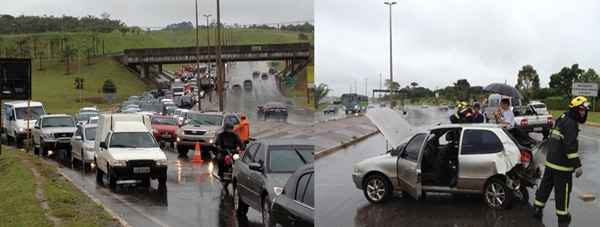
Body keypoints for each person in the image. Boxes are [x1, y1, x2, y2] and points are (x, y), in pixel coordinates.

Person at [533, 96, 588, 226]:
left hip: (551, 161)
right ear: (575, 109)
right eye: (581, 110)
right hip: (562, 167)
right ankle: (563, 217)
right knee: (563, 192)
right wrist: (577, 166)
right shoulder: (571, 124)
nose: (583, 113)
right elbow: (570, 147)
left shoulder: (562, 117)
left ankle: (537, 208)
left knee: (545, 187)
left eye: (585, 110)